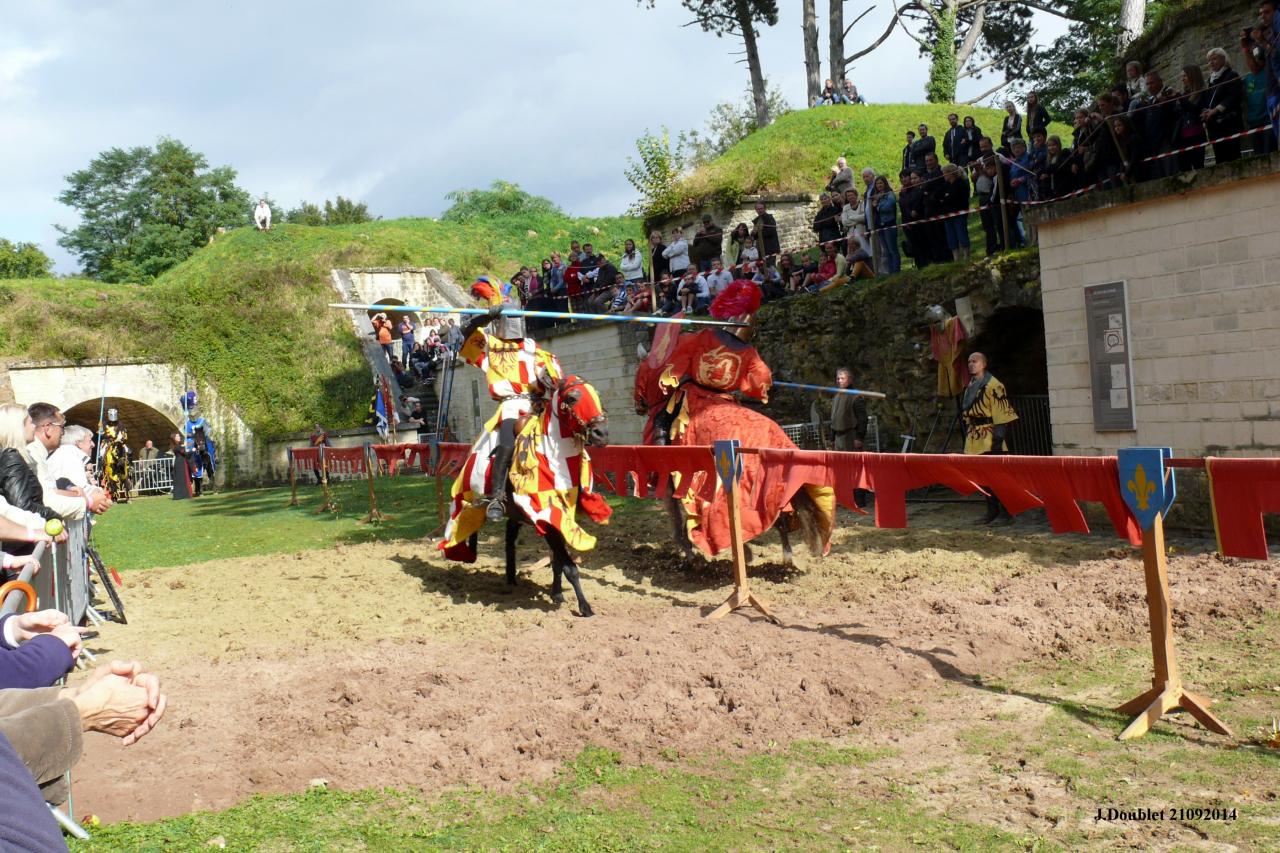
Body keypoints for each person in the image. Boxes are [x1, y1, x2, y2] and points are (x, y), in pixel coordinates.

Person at [649, 281, 835, 556]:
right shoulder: (749, 353)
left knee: (661, 423)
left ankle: (661, 467)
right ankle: (788, 543)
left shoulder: (701, 337)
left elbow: (672, 369)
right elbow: (761, 383)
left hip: (696, 405)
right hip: (728, 403)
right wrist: (767, 383)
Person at [457, 277, 563, 522]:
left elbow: (550, 372)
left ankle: (574, 486)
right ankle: (497, 497)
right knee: (506, 440)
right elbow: (465, 336)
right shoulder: (491, 346)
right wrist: (484, 318)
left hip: (536, 405)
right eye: (508, 318)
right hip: (510, 407)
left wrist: (545, 379)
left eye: (517, 318)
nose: (514, 323)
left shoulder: (532, 346)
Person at [962, 352, 1018, 526]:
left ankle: (1006, 513)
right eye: (969, 361)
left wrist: (998, 440)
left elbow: (1001, 413)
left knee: (997, 478)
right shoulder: (970, 385)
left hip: (989, 435)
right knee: (982, 478)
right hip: (974, 437)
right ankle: (992, 512)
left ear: (984, 364)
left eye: (975, 361)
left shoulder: (994, 385)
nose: (972, 364)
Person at [829, 366, 870, 507]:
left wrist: (859, 437)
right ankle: (847, 498)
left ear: (850, 379)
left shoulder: (856, 396)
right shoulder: (836, 396)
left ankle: (859, 500)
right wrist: (832, 438)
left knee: (855, 469)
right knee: (842, 469)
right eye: (838, 378)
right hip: (840, 438)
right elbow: (834, 419)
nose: (839, 380)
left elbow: (863, 419)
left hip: (851, 436)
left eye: (843, 378)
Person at [1204, 48, 1245, 163]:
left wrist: (1216, 110)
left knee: (1233, 159)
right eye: (1209, 60)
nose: (1211, 63)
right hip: (1215, 128)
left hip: (1229, 125)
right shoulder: (1211, 80)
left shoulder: (1231, 75)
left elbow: (1233, 97)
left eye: (1214, 59)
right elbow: (1210, 100)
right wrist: (1207, 111)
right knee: (1220, 161)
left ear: (1223, 59)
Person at [1174, 63, 1210, 172]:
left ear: (1192, 76)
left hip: (1196, 135)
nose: (1182, 79)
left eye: (1184, 76)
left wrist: (1179, 97)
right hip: (1183, 138)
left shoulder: (1202, 92)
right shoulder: (1185, 93)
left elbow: (1195, 110)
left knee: (1198, 167)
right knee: (1185, 169)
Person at [183, 403, 215, 497]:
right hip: (192, 441)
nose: (193, 414)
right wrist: (192, 435)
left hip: (202, 440)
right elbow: (186, 434)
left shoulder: (202, 421)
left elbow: (208, 430)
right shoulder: (187, 423)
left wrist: (203, 435)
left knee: (210, 446)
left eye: (194, 411)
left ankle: (213, 459)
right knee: (189, 451)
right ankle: (195, 483)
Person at [940, 164, 971, 262]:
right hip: (948, 215)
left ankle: (967, 255)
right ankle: (956, 258)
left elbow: (956, 198)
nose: (943, 175)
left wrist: (946, 197)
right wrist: (946, 196)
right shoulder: (946, 185)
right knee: (951, 237)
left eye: (944, 173)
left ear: (950, 173)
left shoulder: (960, 183)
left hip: (959, 214)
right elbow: (937, 195)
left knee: (961, 234)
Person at [870, 175, 901, 275]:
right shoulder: (876, 195)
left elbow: (888, 207)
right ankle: (891, 272)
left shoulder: (889, 194)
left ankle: (896, 271)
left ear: (885, 184)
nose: (879, 185)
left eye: (881, 183)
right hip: (879, 226)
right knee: (886, 251)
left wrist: (877, 205)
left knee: (893, 250)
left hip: (889, 224)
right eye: (877, 183)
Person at [169, 432, 193, 500]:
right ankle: (180, 495)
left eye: (179, 436)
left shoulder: (178, 446)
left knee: (182, 479)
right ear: (174, 438)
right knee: (180, 479)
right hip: (180, 463)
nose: (179, 437)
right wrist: (192, 450)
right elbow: (185, 453)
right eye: (177, 436)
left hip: (181, 462)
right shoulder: (177, 446)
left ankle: (183, 494)